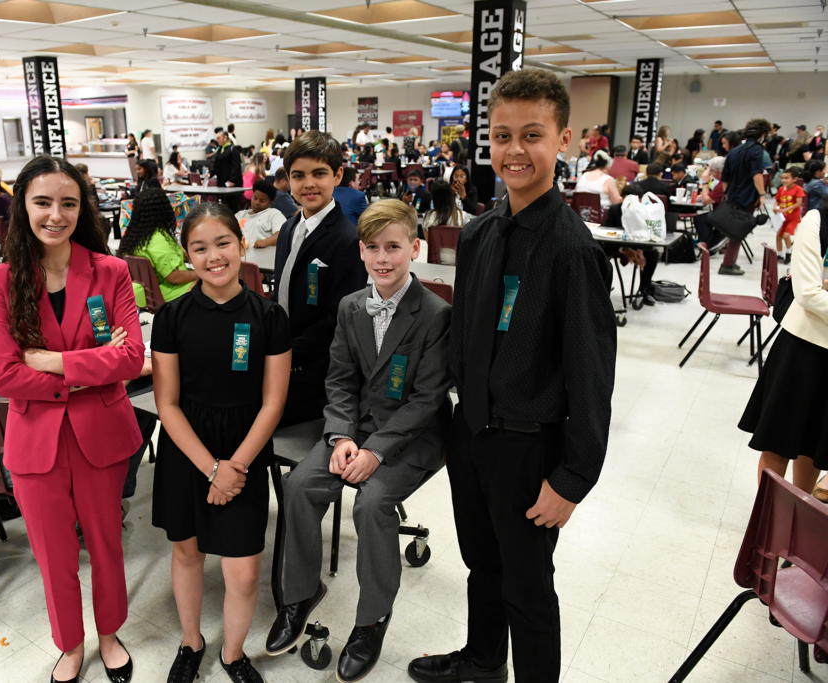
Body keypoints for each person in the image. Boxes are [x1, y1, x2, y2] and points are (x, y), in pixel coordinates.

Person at [410, 68, 615, 683]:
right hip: (474, 435)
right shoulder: (479, 234)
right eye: (502, 136)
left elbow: (592, 375)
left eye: (532, 135)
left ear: (564, 140)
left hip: (530, 446)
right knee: (481, 562)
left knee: (527, 585)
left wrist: (573, 478)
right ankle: (481, 659)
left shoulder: (572, 251)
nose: (515, 151)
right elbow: (466, 337)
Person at [267, 199, 452, 681]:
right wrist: (341, 436)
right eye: (372, 248)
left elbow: (428, 399)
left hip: (412, 437)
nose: (382, 258)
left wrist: (375, 451)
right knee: (299, 486)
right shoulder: (351, 306)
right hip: (354, 430)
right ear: (362, 251)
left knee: (371, 505)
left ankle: (371, 619)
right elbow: (340, 380)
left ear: (415, 247)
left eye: (393, 247)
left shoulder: (435, 314)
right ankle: (301, 591)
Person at [0, 155, 144, 683]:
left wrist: (52, 361)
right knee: (53, 556)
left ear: (82, 208)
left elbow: (129, 359)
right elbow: (4, 376)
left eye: (68, 203)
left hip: (101, 433)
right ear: (22, 205)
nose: (56, 214)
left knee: (106, 544)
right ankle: (69, 644)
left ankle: (110, 633)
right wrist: (88, 369)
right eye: (43, 202)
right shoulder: (0, 281)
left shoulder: (110, 271)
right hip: (36, 444)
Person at [151, 202, 291, 683]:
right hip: (187, 449)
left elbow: (273, 403)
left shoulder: (270, 316)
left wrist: (233, 467)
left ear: (242, 243)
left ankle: (233, 654)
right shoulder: (171, 317)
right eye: (199, 247)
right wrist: (212, 468)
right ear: (187, 256)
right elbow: (166, 403)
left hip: (245, 451)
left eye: (223, 243)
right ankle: (191, 642)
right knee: (188, 553)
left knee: (244, 570)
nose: (213, 256)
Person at [273, 131, 367, 426]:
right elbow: (281, 293)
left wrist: (283, 352)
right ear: (288, 179)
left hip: (315, 372)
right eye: (298, 175)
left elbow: (335, 320)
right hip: (282, 356)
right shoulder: (288, 228)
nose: (309, 184)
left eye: (319, 173)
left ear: (338, 175)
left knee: (251, 415)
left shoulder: (348, 239)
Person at [739, 206, 828, 495]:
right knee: (779, 439)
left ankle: (801, 518)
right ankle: (766, 524)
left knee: (813, 444)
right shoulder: (817, 220)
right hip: (802, 349)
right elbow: (808, 293)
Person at [119, 187, 197, 307]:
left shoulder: (134, 236)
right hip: (170, 291)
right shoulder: (158, 239)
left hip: (148, 293)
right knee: (212, 279)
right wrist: (200, 273)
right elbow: (174, 277)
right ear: (164, 210)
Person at [717, 118, 771, 276]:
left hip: (733, 195)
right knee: (739, 230)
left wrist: (727, 194)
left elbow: (725, 177)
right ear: (762, 134)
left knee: (734, 229)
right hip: (747, 196)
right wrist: (762, 195)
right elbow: (756, 175)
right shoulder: (757, 150)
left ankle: (728, 262)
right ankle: (727, 264)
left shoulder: (734, 151)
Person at [235, 179, 286, 249]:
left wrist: (265, 242)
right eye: (255, 198)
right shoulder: (241, 215)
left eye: (262, 200)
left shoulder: (273, 214)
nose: (257, 202)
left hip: (264, 255)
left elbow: (281, 234)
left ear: (270, 203)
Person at [774, 166, 806, 263]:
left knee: (786, 236)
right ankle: (779, 255)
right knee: (778, 236)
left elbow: (798, 203)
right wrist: (775, 207)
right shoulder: (781, 189)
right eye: (783, 178)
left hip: (793, 218)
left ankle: (789, 253)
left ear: (795, 179)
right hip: (782, 218)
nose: (784, 180)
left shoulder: (798, 189)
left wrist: (787, 209)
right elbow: (777, 200)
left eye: (787, 178)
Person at [694, 156, 727, 249]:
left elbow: (705, 201)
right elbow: (709, 196)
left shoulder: (722, 184)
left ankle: (709, 245)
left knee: (699, 219)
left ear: (716, 171)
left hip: (724, 216)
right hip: (726, 212)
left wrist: (705, 182)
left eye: (711, 171)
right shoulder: (724, 180)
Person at [212, 130, 243, 208]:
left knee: (233, 205)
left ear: (225, 137)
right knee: (224, 204)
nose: (217, 140)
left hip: (232, 183)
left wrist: (232, 180)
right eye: (217, 138)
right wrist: (210, 173)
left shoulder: (233, 148)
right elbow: (216, 164)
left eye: (219, 138)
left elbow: (236, 165)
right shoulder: (219, 149)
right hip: (222, 182)